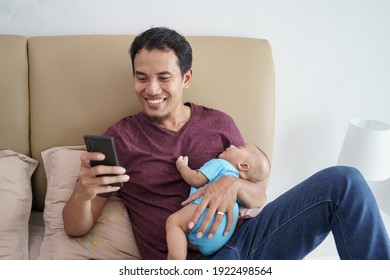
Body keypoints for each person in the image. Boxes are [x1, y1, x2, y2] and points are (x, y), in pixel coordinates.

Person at [63, 26, 390, 260]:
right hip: (188, 263)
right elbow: (76, 228)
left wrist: (233, 185)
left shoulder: (219, 124)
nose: (151, 89)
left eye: (164, 77)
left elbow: (259, 196)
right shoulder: (121, 138)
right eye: (141, 77)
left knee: (345, 181)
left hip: (250, 240)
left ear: (186, 78)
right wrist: (83, 191)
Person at [166, 144, 271, 259]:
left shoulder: (222, 165)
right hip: (220, 239)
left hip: (205, 217)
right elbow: (242, 212)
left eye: (239, 147)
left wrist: (182, 167)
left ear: (243, 165)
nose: (231, 145)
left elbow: (195, 179)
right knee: (184, 234)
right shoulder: (240, 189)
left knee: (174, 222)